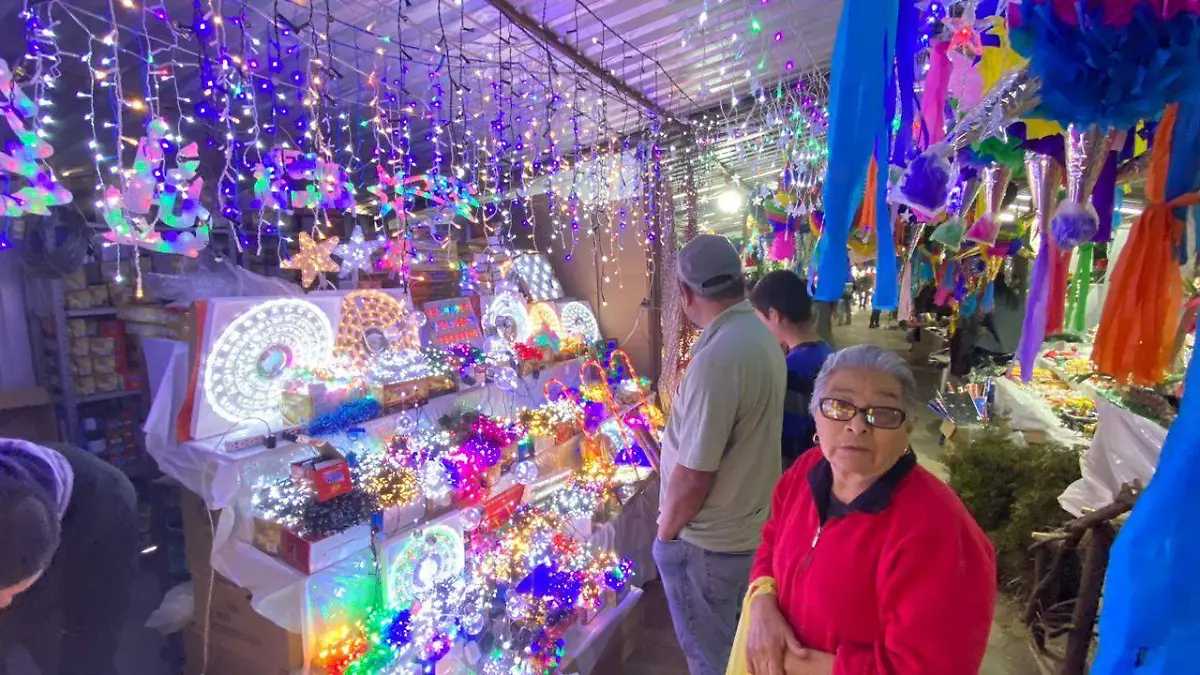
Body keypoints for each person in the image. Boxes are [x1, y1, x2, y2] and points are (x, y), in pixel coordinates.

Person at [744, 345, 996, 675]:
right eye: (839, 405)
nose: (858, 425)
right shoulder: (807, 470)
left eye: (883, 413)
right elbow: (772, 538)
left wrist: (792, 662)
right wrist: (762, 603)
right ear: (815, 414)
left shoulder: (939, 531)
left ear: (908, 429)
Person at [656, 234, 786, 675]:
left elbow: (695, 473)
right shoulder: (758, 334)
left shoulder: (718, 359)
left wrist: (665, 536)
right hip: (744, 529)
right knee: (733, 650)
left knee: (709, 657)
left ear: (686, 293)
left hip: (708, 544)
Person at [0, 439, 138, 675]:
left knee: (85, 652)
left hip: (94, 528)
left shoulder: (109, 502)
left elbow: (94, 635)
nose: (3, 604)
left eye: (8, 593)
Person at [749, 270, 835, 468]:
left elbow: (790, 439)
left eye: (760, 319)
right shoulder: (828, 353)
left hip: (801, 470)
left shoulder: (793, 368)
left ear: (774, 315)